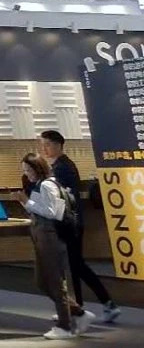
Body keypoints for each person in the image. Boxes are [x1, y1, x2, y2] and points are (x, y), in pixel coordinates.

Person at [39, 130, 120, 323]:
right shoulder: (62, 166)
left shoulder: (62, 168)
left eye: (47, 144)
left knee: (75, 266)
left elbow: (61, 198)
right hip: (70, 222)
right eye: (42, 145)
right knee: (75, 266)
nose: (44, 149)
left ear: (58, 145)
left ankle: (90, 306)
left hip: (68, 224)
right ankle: (81, 307)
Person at [16, 152, 92, 339]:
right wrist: (27, 203)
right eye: (25, 170)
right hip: (42, 235)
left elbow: (53, 212)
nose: (26, 174)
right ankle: (78, 313)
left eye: (28, 170)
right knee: (42, 282)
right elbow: (43, 210)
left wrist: (27, 202)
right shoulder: (43, 185)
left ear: (38, 168)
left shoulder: (48, 185)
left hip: (50, 237)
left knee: (54, 282)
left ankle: (65, 326)